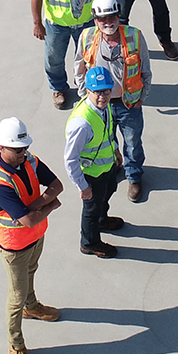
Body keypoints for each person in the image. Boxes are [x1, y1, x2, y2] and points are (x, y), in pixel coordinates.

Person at [0, 117, 64, 354]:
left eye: (24, 148)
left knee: (32, 271)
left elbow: (57, 185)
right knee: (15, 297)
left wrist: (37, 208)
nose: (23, 153)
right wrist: (48, 205)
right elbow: (28, 218)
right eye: (17, 149)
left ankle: (32, 306)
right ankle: (16, 346)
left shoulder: (30, 160)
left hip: (36, 237)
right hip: (14, 246)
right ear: (1, 148)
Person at [76, 0, 150, 202]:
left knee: (132, 143)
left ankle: (134, 177)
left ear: (118, 16)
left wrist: (141, 97)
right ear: (95, 19)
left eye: (112, 17)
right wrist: (85, 97)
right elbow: (79, 68)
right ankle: (115, 167)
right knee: (107, 141)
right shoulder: (87, 37)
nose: (108, 22)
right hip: (101, 106)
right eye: (103, 19)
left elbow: (145, 70)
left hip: (129, 104)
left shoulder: (134, 36)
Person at [64, 66, 126, 258]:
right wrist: (83, 186)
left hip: (106, 168)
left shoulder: (104, 106)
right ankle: (89, 243)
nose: (103, 96)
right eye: (97, 91)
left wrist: (115, 149)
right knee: (91, 209)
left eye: (107, 90)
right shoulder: (82, 123)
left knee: (108, 191)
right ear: (88, 90)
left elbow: (107, 131)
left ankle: (102, 219)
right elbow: (70, 159)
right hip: (91, 175)